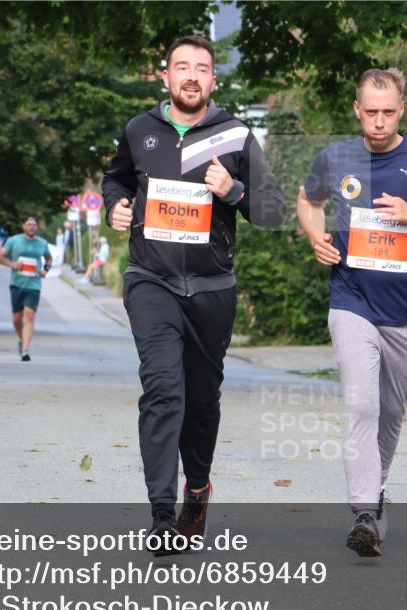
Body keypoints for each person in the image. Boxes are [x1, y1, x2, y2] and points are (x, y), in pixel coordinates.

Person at [102, 34, 284, 553]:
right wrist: (114, 206)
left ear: (213, 81)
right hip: (150, 279)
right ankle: (161, 514)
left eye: (200, 69)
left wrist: (233, 191)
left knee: (201, 403)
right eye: (181, 67)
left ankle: (197, 488)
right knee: (163, 390)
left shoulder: (235, 135)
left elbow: (271, 212)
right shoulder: (140, 131)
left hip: (211, 287)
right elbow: (114, 182)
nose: (190, 76)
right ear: (165, 77)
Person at [297, 68, 407, 557]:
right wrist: (317, 238)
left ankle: (377, 489)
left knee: (390, 413)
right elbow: (307, 202)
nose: (378, 122)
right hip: (351, 300)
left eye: (388, 112)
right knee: (360, 404)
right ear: (356, 109)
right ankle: (364, 513)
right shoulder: (336, 158)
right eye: (370, 112)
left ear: (402, 109)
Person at [0, 217, 51, 362]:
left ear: (37, 227)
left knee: (29, 315)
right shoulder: (14, 241)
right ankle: (22, 340)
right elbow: (0, 258)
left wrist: (45, 269)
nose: (32, 227)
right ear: (23, 226)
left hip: (34, 285)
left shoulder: (42, 243)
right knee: (16, 318)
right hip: (17, 284)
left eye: (34, 225)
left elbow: (49, 259)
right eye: (29, 224)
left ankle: (25, 350)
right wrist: (13, 265)